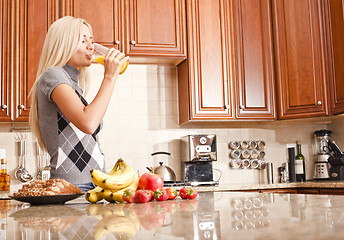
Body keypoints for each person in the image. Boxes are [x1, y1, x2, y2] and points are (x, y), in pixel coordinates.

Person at [29, 16, 128, 192]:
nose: (91, 46)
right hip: (72, 188)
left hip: (94, 185)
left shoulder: (73, 85)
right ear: (63, 44)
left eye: (91, 40)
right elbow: (88, 123)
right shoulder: (53, 76)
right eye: (82, 40)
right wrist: (110, 76)